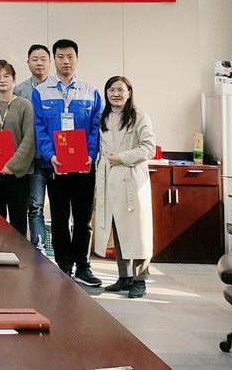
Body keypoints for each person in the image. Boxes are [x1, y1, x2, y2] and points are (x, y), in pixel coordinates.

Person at [33, 39, 104, 286]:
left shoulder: (90, 91)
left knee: (83, 219)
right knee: (60, 218)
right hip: (56, 166)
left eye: (70, 56)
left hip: (84, 166)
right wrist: (50, 155)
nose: (66, 61)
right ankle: (63, 265)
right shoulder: (41, 92)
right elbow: (39, 127)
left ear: (77, 59)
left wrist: (90, 155)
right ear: (54, 59)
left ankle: (83, 266)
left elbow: (96, 127)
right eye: (61, 57)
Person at [93, 76, 156, 298]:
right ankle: (125, 277)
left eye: (121, 90)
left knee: (137, 231)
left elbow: (149, 148)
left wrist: (122, 157)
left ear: (129, 93)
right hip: (109, 180)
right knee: (119, 229)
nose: (116, 94)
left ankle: (140, 280)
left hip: (131, 180)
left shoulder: (140, 117)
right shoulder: (103, 117)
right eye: (111, 90)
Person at [0, 60, 35, 235]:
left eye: (6, 76)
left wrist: (11, 166)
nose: (2, 80)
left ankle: (19, 253)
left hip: (17, 174)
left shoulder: (25, 105)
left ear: (14, 78)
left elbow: (29, 139)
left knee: (18, 222)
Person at [15, 43, 52, 252]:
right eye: (34, 59)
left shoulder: (58, 90)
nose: (39, 63)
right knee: (35, 206)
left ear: (50, 62)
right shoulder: (19, 91)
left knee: (61, 207)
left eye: (43, 59)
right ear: (28, 62)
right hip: (33, 158)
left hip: (56, 159)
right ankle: (39, 249)